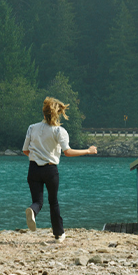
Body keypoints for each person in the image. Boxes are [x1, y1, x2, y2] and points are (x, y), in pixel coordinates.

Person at [23, 96, 96, 241]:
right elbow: (67, 152)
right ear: (57, 114)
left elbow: (25, 150)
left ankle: (33, 210)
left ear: (43, 113)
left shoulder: (32, 128)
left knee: (38, 201)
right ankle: (58, 233)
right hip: (50, 170)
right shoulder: (59, 131)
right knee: (53, 202)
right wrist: (88, 151)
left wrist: (37, 157)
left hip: (33, 169)